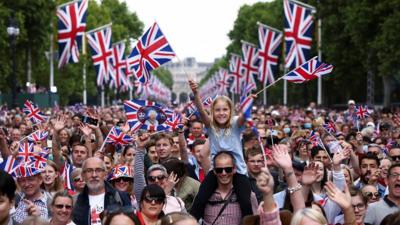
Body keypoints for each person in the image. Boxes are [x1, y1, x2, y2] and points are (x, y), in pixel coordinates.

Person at [191, 151, 258, 225]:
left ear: (234, 169)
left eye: (228, 169)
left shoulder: (247, 196)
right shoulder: (204, 196)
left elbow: (254, 221)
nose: (224, 173)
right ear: (214, 171)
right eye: (219, 170)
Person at [72, 157, 131, 225]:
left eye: (98, 170)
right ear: (83, 175)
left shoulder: (120, 197)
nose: (94, 175)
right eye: (89, 171)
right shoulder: (75, 201)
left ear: (105, 173)